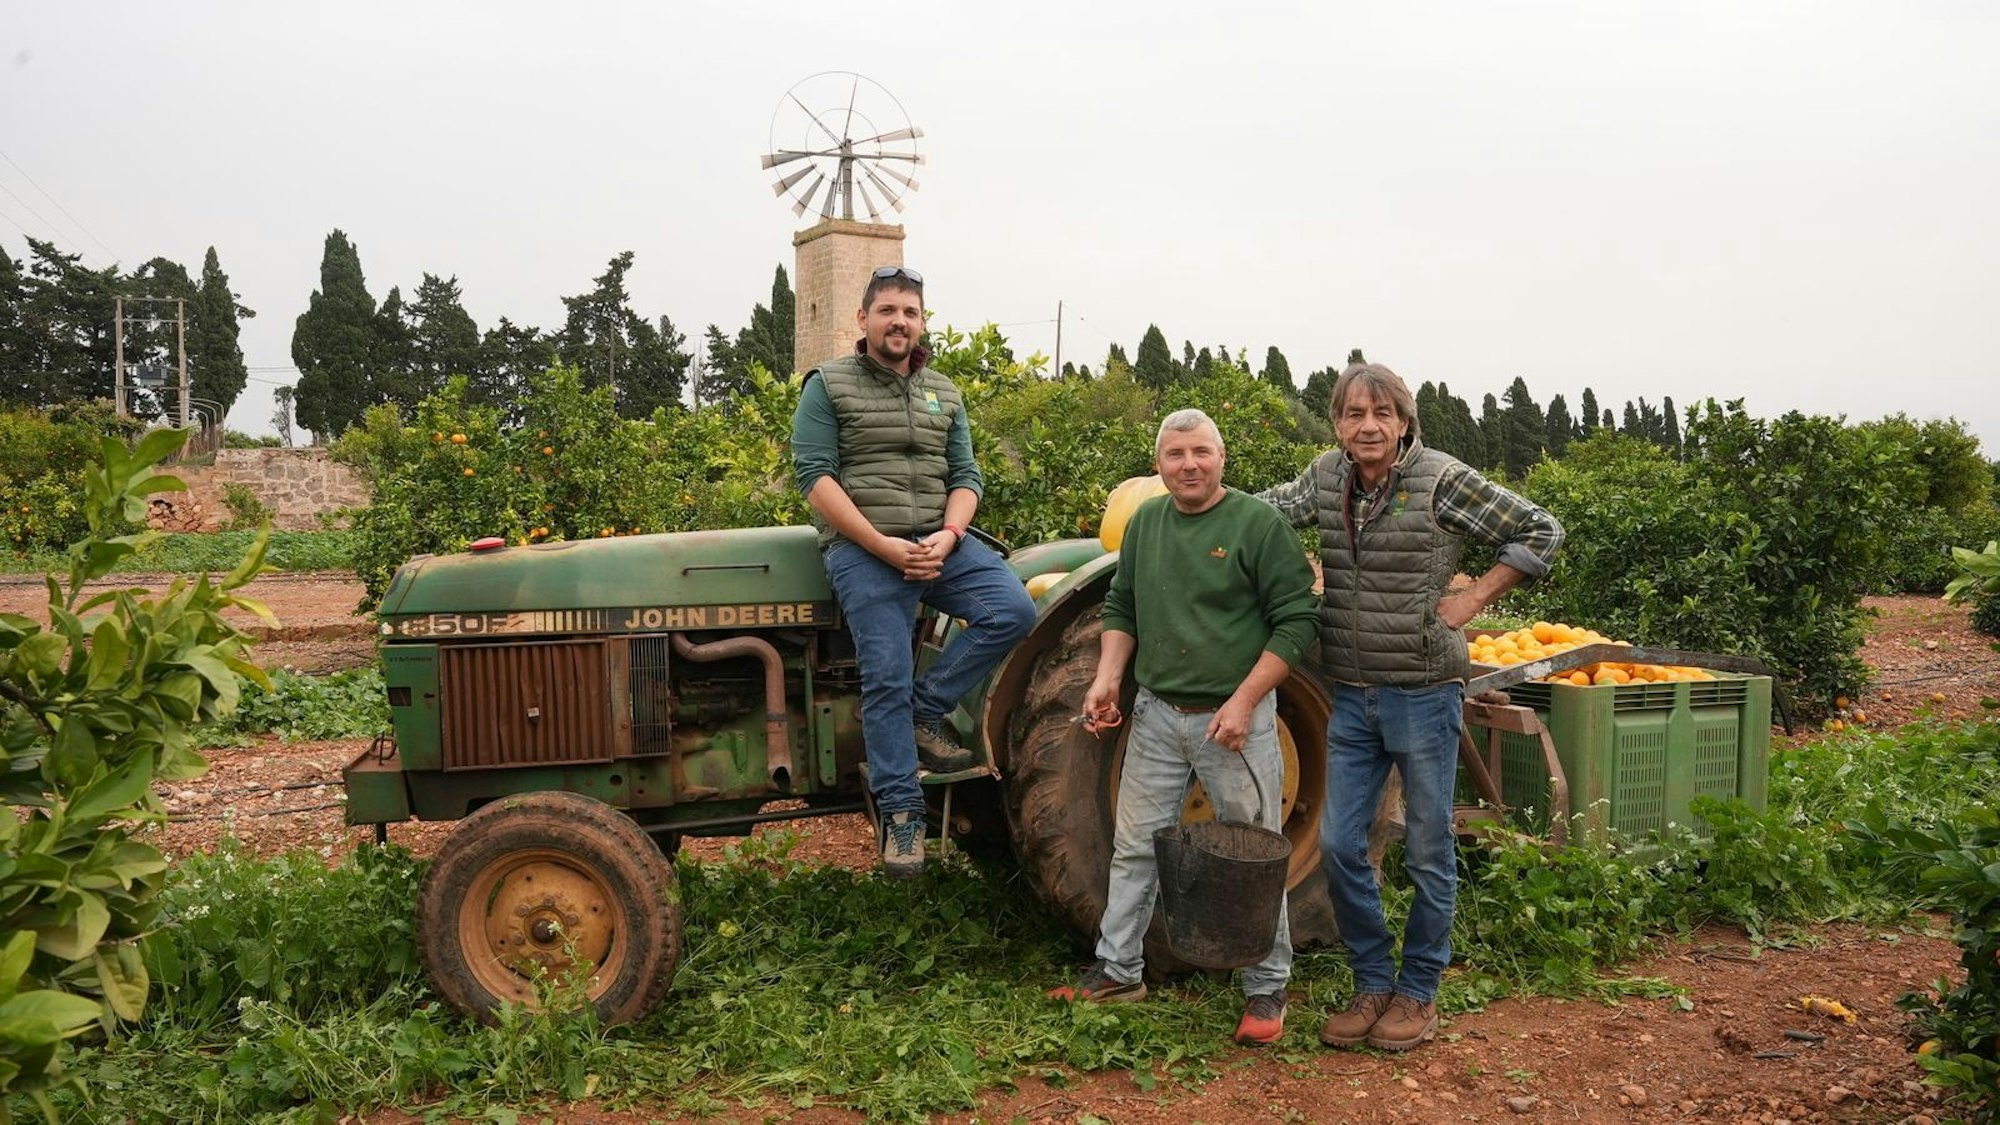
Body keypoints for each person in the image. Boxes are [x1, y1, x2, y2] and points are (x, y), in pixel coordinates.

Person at [1260, 362, 1563, 1052]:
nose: (1367, 426)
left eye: (1382, 413)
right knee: (1338, 845)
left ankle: (1418, 990)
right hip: (1353, 693)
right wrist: (1187, 493)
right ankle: (1372, 981)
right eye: (1353, 414)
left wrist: (1475, 597)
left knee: (1428, 848)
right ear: (1337, 423)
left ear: (1404, 421)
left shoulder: (1443, 480)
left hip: (1424, 693)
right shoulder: (1326, 476)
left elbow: (1541, 529)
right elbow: (1264, 510)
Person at [1047, 408, 1320, 1046]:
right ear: (1159, 463)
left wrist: (1245, 700)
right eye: (1175, 455)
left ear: (1221, 457)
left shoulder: (1257, 524)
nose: (1189, 465)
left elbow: (1296, 623)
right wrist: (1109, 676)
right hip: (1157, 716)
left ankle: (1267, 989)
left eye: (1201, 452)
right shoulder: (1146, 524)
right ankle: (1119, 969)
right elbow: (1123, 606)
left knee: (1254, 855)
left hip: (1235, 724)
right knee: (1136, 846)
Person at [789, 265, 1036, 878]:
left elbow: (966, 478)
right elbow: (814, 477)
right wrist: (881, 545)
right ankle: (902, 816)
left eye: (911, 312)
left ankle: (925, 711)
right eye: (888, 310)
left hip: (938, 542)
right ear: (863, 319)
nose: (899, 321)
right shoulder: (828, 384)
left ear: (922, 322)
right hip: (863, 547)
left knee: (1012, 609)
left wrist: (949, 537)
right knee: (886, 673)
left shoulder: (944, 392)